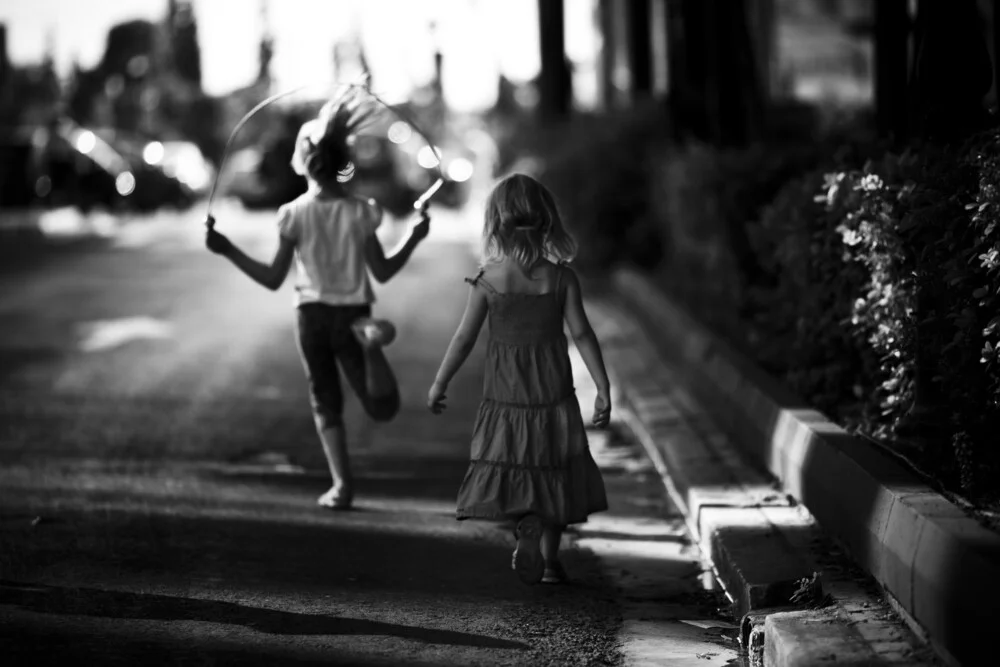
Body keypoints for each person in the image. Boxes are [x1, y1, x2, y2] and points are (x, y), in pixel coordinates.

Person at [205, 91, 430, 511]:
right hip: (354, 315)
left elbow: (273, 278)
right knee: (381, 406)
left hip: (310, 317)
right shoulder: (363, 211)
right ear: (343, 161)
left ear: (305, 163)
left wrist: (226, 249)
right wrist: (413, 237)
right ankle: (374, 349)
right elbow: (382, 271)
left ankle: (342, 486)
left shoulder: (292, 214)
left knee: (324, 401)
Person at [427, 173, 610, 585]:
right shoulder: (561, 279)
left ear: (495, 224)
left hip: (506, 399)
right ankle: (549, 559)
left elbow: (464, 338)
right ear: (547, 221)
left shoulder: (488, 280)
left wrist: (441, 382)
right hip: (552, 395)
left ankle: (524, 521)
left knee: (515, 464)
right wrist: (602, 386)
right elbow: (582, 333)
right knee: (556, 470)